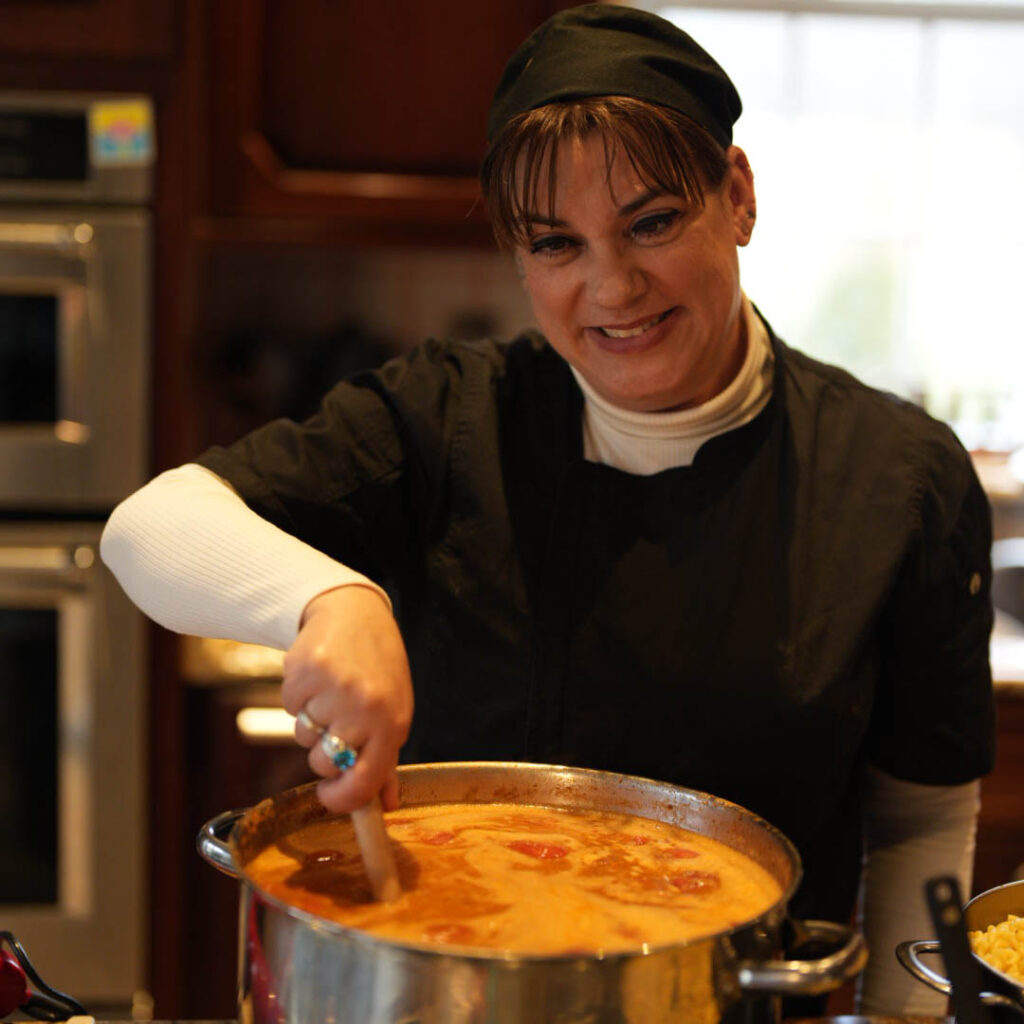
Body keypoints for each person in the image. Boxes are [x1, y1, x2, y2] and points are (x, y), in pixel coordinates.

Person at [101, 5, 995, 1015]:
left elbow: (922, 820)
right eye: (556, 244)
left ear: (735, 197)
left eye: (651, 222)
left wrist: (914, 1015)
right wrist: (327, 598)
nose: (611, 286)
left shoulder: (898, 477)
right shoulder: (444, 418)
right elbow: (147, 527)